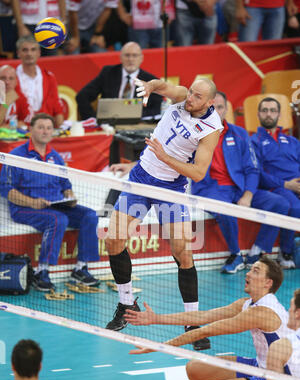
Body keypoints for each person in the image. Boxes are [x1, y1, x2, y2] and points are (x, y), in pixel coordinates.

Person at [104, 75, 223, 356]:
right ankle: (126, 303)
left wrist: (164, 155)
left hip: (171, 188)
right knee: (113, 240)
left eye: (196, 97)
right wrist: (150, 86)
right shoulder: (183, 96)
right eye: (190, 93)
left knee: (183, 253)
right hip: (142, 178)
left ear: (208, 103)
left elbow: (198, 172)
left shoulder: (211, 128)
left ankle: (192, 323)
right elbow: (163, 86)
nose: (189, 99)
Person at [124, 256, 292, 380]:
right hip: (260, 367)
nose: (247, 273)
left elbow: (206, 330)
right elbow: (201, 316)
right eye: (250, 269)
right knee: (195, 368)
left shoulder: (262, 313)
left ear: (267, 283)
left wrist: (162, 345)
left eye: (255, 271)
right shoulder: (248, 303)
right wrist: (156, 319)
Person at [191, 91, 291, 274]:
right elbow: (166, 154)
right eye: (211, 107)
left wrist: (248, 194)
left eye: (219, 107)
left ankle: (257, 251)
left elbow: (252, 169)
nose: (215, 111)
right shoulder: (192, 134)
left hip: (239, 188)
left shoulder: (239, 134)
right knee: (225, 209)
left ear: (226, 109)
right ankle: (236, 254)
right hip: (210, 189)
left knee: (281, 204)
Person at [0, 113, 100, 292]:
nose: (45, 131)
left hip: (56, 206)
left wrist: (69, 197)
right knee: (57, 219)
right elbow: (6, 190)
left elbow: (65, 185)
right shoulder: (16, 156)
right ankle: (41, 271)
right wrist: (32, 203)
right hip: (24, 209)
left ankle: (81, 267)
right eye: (40, 127)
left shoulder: (56, 157)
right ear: (31, 129)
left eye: (48, 128)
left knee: (89, 215)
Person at [251, 96, 300, 270]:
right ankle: (285, 252)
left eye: (273, 111)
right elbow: (258, 174)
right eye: (265, 111)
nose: (269, 114)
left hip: (297, 186)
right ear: (258, 114)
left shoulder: (293, 141)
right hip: (277, 188)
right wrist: (287, 185)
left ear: (279, 114)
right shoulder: (254, 142)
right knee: (295, 207)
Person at [75, 41, 163, 120]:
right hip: (109, 124)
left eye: (134, 55)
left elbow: (156, 110)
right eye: (127, 55)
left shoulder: (151, 81)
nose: (130, 59)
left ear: (141, 58)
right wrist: (93, 119)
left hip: (138, 125)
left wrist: (135, 116)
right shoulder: (108, 73)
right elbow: (82, 97)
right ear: (120, 58)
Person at [15, 35, 64, 128]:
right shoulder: (11, 79)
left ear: (39, 53)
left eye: (33, 50)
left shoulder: (49, 77)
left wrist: (62, 130)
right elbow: (5, 106)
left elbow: (57, 108)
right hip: (21, 131)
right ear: (18, 53)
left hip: (46, 130)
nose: (29, 53)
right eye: (25, 50)